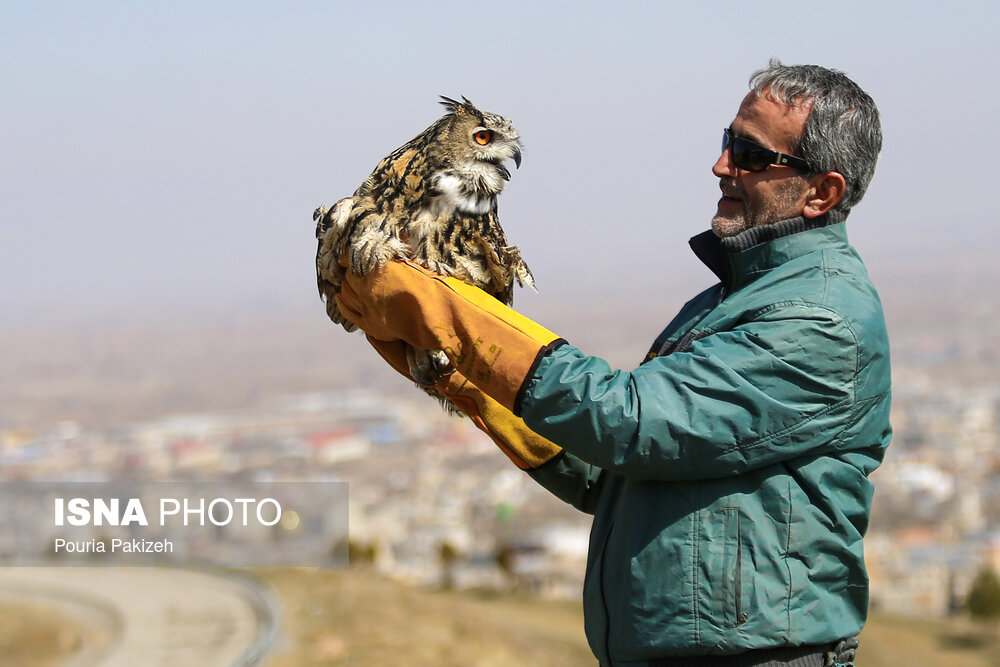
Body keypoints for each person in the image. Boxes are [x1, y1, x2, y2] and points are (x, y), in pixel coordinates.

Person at [336, 59, 889, 667]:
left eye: (752, 155)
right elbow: (615, 472)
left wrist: (454, 319)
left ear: (822, 193)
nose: (722, 165)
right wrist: (470, 385)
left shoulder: (819, 317)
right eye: (728, 140)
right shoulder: (728, 300)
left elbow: (632, 423)